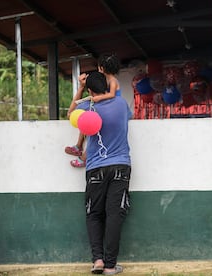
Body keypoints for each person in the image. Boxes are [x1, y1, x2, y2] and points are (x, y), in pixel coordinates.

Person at [75, 71, 132, 275]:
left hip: (95, 167)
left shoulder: (88, 106)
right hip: (120, 166)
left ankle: (97, 260)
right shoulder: (122, 104)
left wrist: (81, 89)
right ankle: (110, 265)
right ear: (107, 87)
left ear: (90, 90)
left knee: (94, 214)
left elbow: (70, 112)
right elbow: (129, 118)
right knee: (115, 214)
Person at [65, 53, 121, 168]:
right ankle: (79, 146)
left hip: (108, 108)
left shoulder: (112, 81)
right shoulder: (106, 80)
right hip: (109, 109)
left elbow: (111, 95)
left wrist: (98, 97)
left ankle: (83, 157)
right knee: (86, 120)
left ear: (101, 68)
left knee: (93, 129)